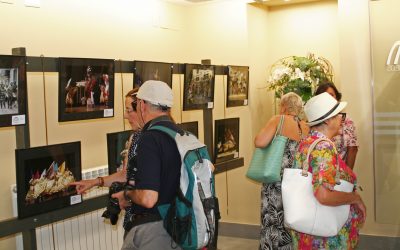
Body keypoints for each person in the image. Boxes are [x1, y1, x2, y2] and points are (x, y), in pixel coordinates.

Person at [111, 80, 182, 250]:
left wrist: (127, 194)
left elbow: (148, 199)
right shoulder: (182, 135)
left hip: (153, 231)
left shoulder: (149, 139)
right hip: (178, 226)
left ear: (142, 105)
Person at [290, 92, 366, 249]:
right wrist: (355, 198)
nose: (341, 119)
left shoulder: (308, 142)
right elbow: (324, 196)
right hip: (325, 238)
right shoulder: (323, 147)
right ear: (327, 119)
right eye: (338, 114)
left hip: (308, 230)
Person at [70, 88, 142, 234]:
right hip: (133, 222)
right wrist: (95, 182)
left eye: (129, 110)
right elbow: (125, 175)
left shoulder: (157, 139)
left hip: (150, 224)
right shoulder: (134, 138)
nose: (125, 116)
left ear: (142, 109)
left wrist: (127, 196)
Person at [254, 92, 309, 250]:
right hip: (297, 182)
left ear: (283, 106)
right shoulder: (305, 126)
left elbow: (260, 142)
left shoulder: (278, 119)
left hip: (276, 180)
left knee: (272, 220)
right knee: (292, 219)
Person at [315, 82, 358, 169]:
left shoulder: (345, 120)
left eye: (331, 95)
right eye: (324, 96)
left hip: (339, 172)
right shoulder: (314, 120)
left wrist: (348, 174)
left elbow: (352, 149)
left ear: (337, 98)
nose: (328, 99)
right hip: (317, 169)